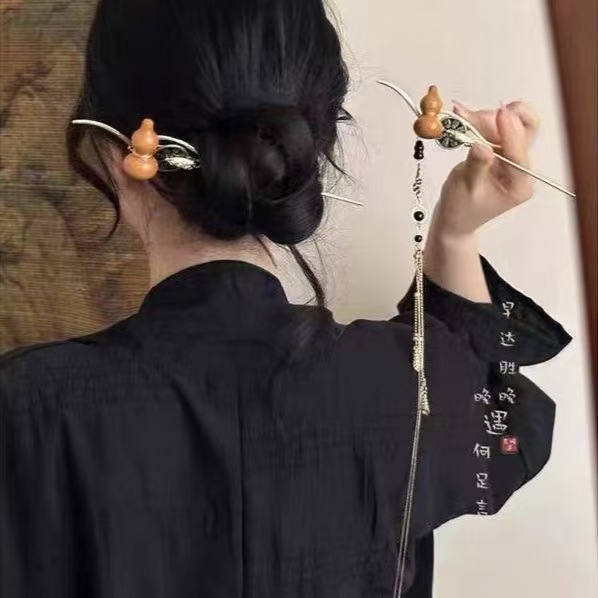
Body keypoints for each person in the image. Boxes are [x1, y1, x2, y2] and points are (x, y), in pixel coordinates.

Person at [0, 1, 572, 596]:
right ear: (309, 152)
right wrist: (455, 236)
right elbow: (502, 428)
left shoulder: (26, 412)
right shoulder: (401, 393)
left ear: (113, 152)